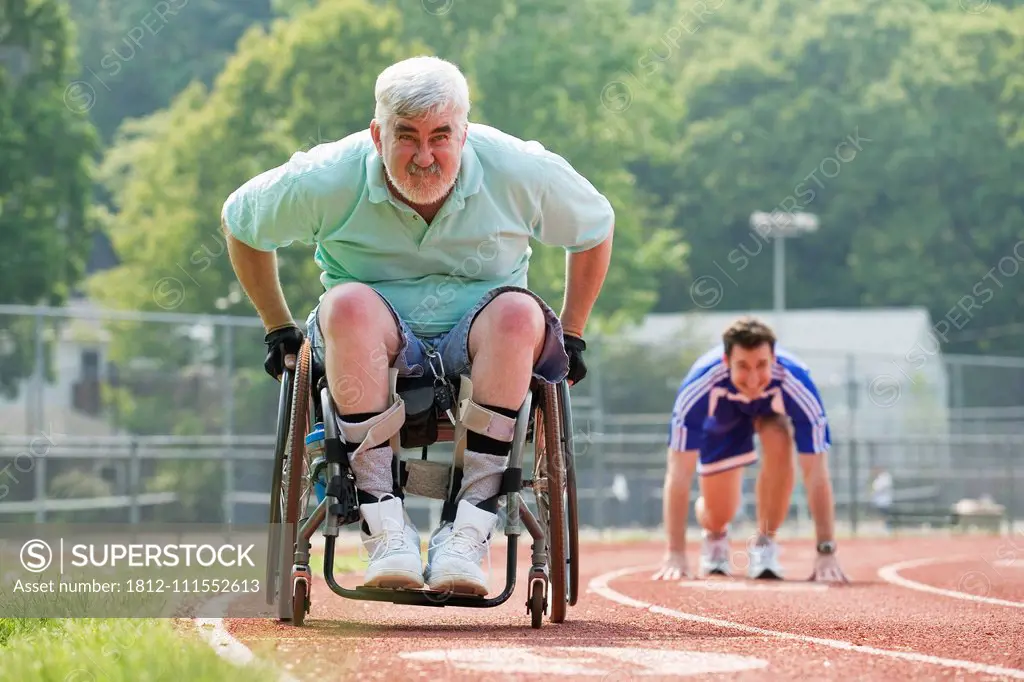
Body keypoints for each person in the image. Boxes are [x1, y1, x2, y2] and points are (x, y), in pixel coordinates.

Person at [221, 56, 613, 596]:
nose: (424, 156)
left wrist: (571, 332)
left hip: (485, 336)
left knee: (521, 311)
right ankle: (385, 527)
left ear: (465, 133)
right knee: (347, 305)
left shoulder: (519, 170)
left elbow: (594, 227)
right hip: (370, 334)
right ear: (377, 134)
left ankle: (468, 532)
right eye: (406, 137)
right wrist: (277, 326)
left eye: (440, 137)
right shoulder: (328, 177)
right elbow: (240, 221)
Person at [651, 316, 848, 583]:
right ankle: (716, 534)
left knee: (779, 435)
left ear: (774, 359)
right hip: (723, 421)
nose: (754, 379)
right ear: (726, 362)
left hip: (771, 416)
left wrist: (826, 549)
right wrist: (675, 553)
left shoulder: (798, 384)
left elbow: (816, 472)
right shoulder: (699, 387)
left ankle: (765, 543)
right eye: (743, 366)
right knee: (719, 514)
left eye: (762, 365)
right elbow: (678, 474)